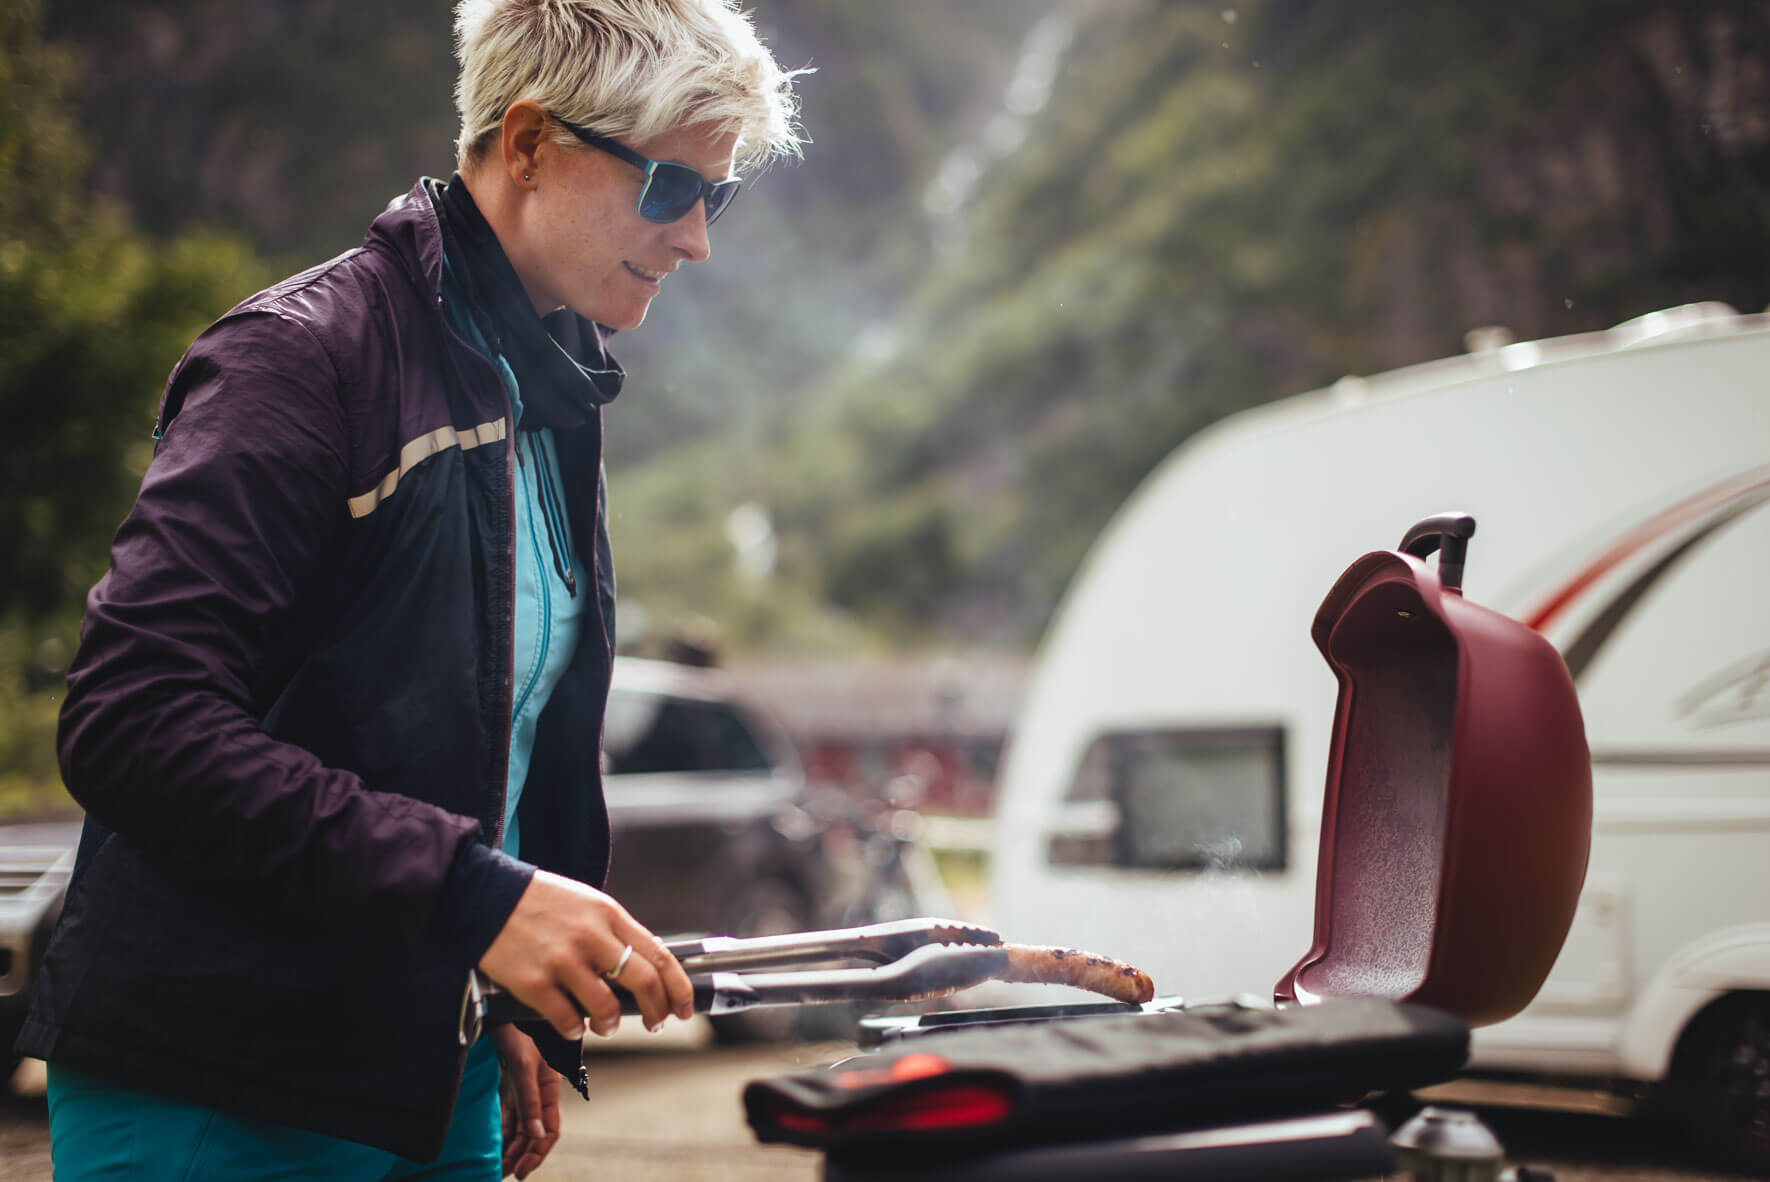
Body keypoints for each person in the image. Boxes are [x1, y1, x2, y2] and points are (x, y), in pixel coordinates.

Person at [16, 1, 805, 1177]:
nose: (696, 238)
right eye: (667, 188)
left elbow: (498, 736)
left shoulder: (554, 393)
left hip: (436, 1071)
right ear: (530, 144)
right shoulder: (298, 359)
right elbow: (133, 721)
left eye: (719, 196)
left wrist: (505, 989)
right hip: (215, 1087)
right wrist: (475, 904)